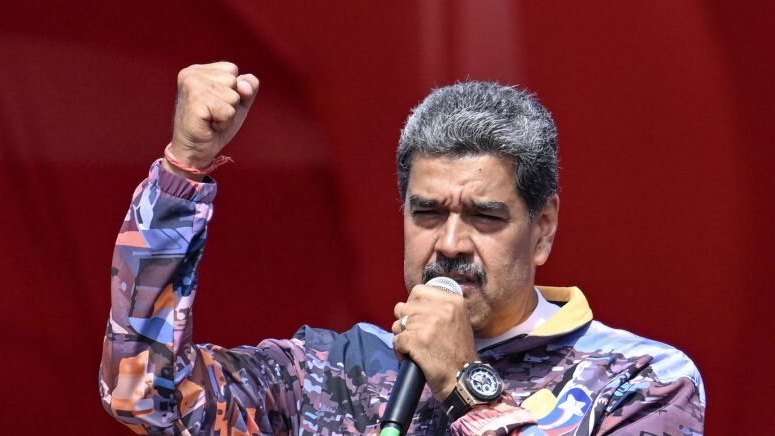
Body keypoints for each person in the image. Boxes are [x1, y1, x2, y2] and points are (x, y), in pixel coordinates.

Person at [100, 62, 705, 435]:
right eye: (428, 213)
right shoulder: (331, 372)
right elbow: (144, 398)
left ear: (542, 229)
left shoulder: (641, 380)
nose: (450, 243)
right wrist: (183, 171)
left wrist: (464, 383)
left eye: (485, 216)